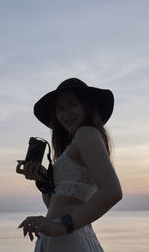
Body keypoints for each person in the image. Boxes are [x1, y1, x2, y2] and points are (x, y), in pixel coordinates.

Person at [16, 78, 122, 251]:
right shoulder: (75, 144)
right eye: (60, 108)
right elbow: (55, 206)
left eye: (73, 104)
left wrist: (60, 226)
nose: (66, 113)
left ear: (86, 105)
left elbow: (113, 191)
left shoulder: (86, 133)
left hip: (68, 237)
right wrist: (44, 182)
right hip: (65, 238)